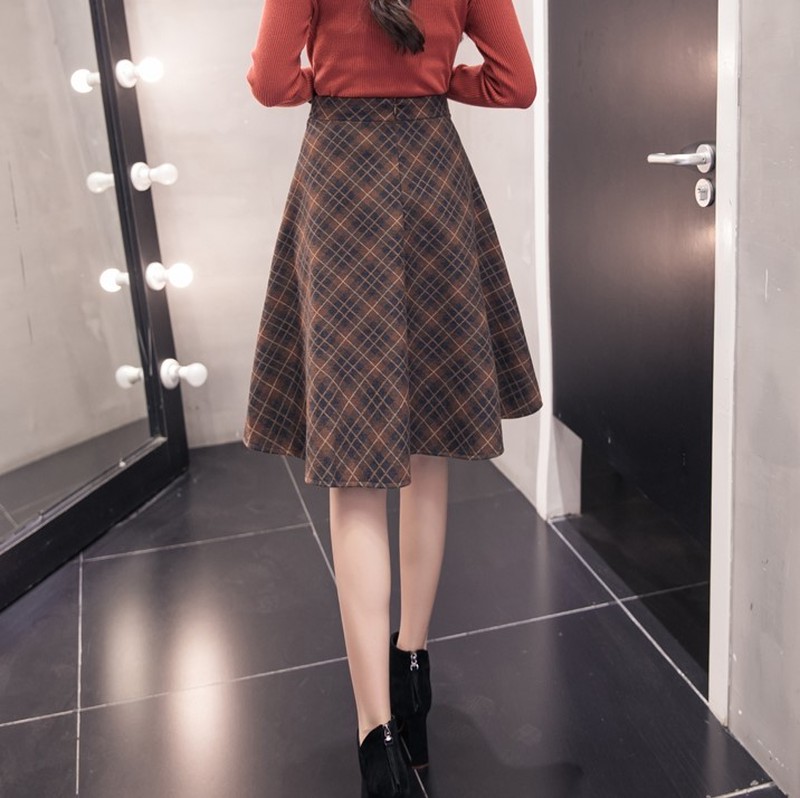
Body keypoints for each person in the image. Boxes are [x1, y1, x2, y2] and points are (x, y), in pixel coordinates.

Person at [243, 0, 542, 794]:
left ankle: (376, 735)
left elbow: (270, 83)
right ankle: (413, 666)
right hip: (434, 177)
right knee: (427, 444)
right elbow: (515, 84)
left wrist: (326, 82)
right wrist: (439, 79)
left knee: (355, 474)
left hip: (342, 183)